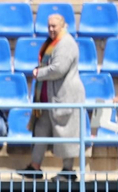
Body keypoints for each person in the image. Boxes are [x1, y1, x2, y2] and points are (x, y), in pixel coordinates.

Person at [27, 12, 87, 172]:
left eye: (54, 26)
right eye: (49, 26)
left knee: (67, 134)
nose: (51, 29)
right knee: (40, 130)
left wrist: (38, 73)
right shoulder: (53, 42)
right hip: (49, 98)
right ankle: (35, 166)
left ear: (62, 26)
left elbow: (59, 69)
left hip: (65, 97)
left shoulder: (66, 43)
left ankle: (68, 170)